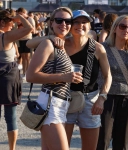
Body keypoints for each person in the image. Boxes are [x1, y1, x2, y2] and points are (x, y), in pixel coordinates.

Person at [27, 9, 112, 150]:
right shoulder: (60, 43)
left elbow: (108, 75)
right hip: (63, 99)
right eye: (76, 22)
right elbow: (30, 43)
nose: (80, 25)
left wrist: (102, 98)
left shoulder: (97, 48)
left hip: (90, 100)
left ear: (90, 26)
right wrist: (49, 37)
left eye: (84, 22)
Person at [26, 7, 83, 150]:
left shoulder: (61, 44)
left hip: (60, 104)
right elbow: (30, 75)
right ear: (51, 23)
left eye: (68, 21)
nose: (64, 24)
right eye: (59, 20)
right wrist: (65, 76)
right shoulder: (48, 44)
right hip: (51, 103)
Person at [97, 15, 128, 150]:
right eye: (122, 26)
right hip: (107, 98)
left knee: (122, 143)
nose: (127, 30)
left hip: (127, 99)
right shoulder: (103, 48)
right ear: (114, 29)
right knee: (102, 141)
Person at [0, 10, 33, 150]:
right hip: (8, 77)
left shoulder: (7, 36)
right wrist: (20, 17)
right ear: (2, 22)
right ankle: (12, 149)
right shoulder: (5, 36)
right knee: (10, 116)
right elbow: (30, 28)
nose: (13, 26)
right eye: (11, 23)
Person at [17, 8, 34, 80]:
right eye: (18, 14)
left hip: (27, 39)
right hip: (20, 39)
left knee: (27, 57)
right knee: (23, 57)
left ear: (24, 13)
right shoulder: (18, 20)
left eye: (21, 14)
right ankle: (24, 72)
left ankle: (28, 73)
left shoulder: (30, 19)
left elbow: (33, 30)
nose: (20, 15)